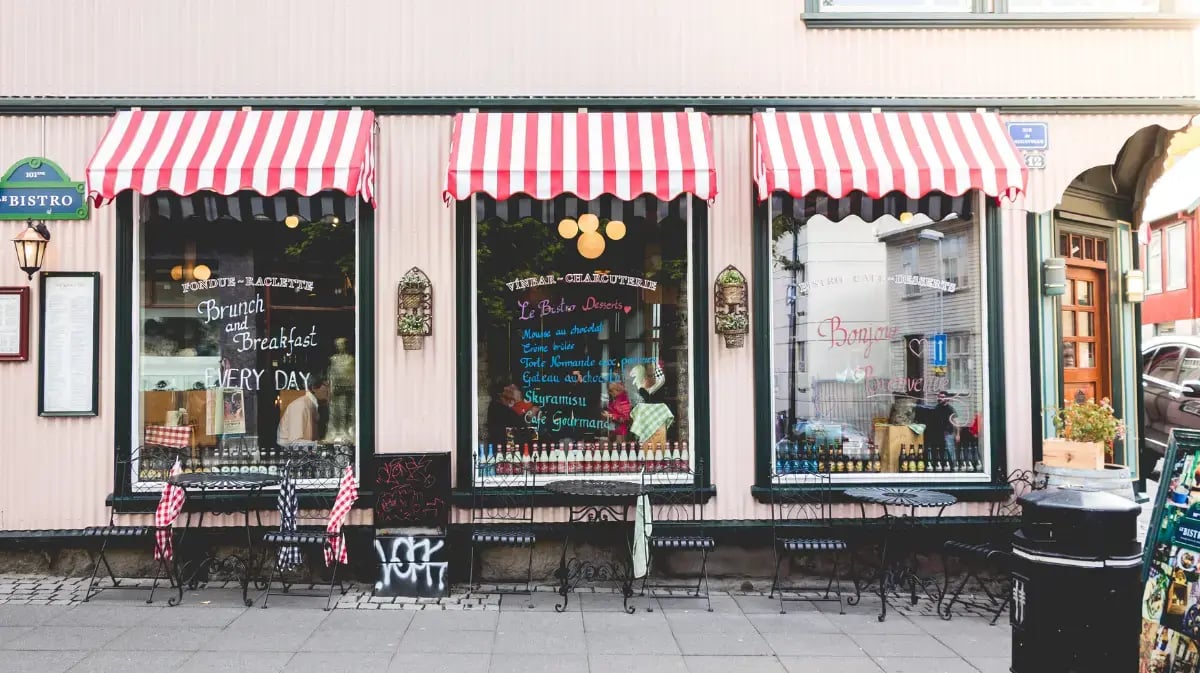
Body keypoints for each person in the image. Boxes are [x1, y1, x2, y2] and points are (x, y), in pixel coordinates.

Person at [278, 378, 330, 445]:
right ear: (314, 388)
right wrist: (322, 444)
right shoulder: (300, 405)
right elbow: (294, 443)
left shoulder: (313, 406)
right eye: (327, 385)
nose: (331, 389)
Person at [486, 381, 537, 448]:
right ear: (501, 394)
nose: (511, 392)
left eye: (513, 389)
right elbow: (517, 425)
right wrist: (529, 415)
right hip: (506, 448)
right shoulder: (499, 408)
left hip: (512, 445)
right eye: (509, 390)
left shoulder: (502, 407)